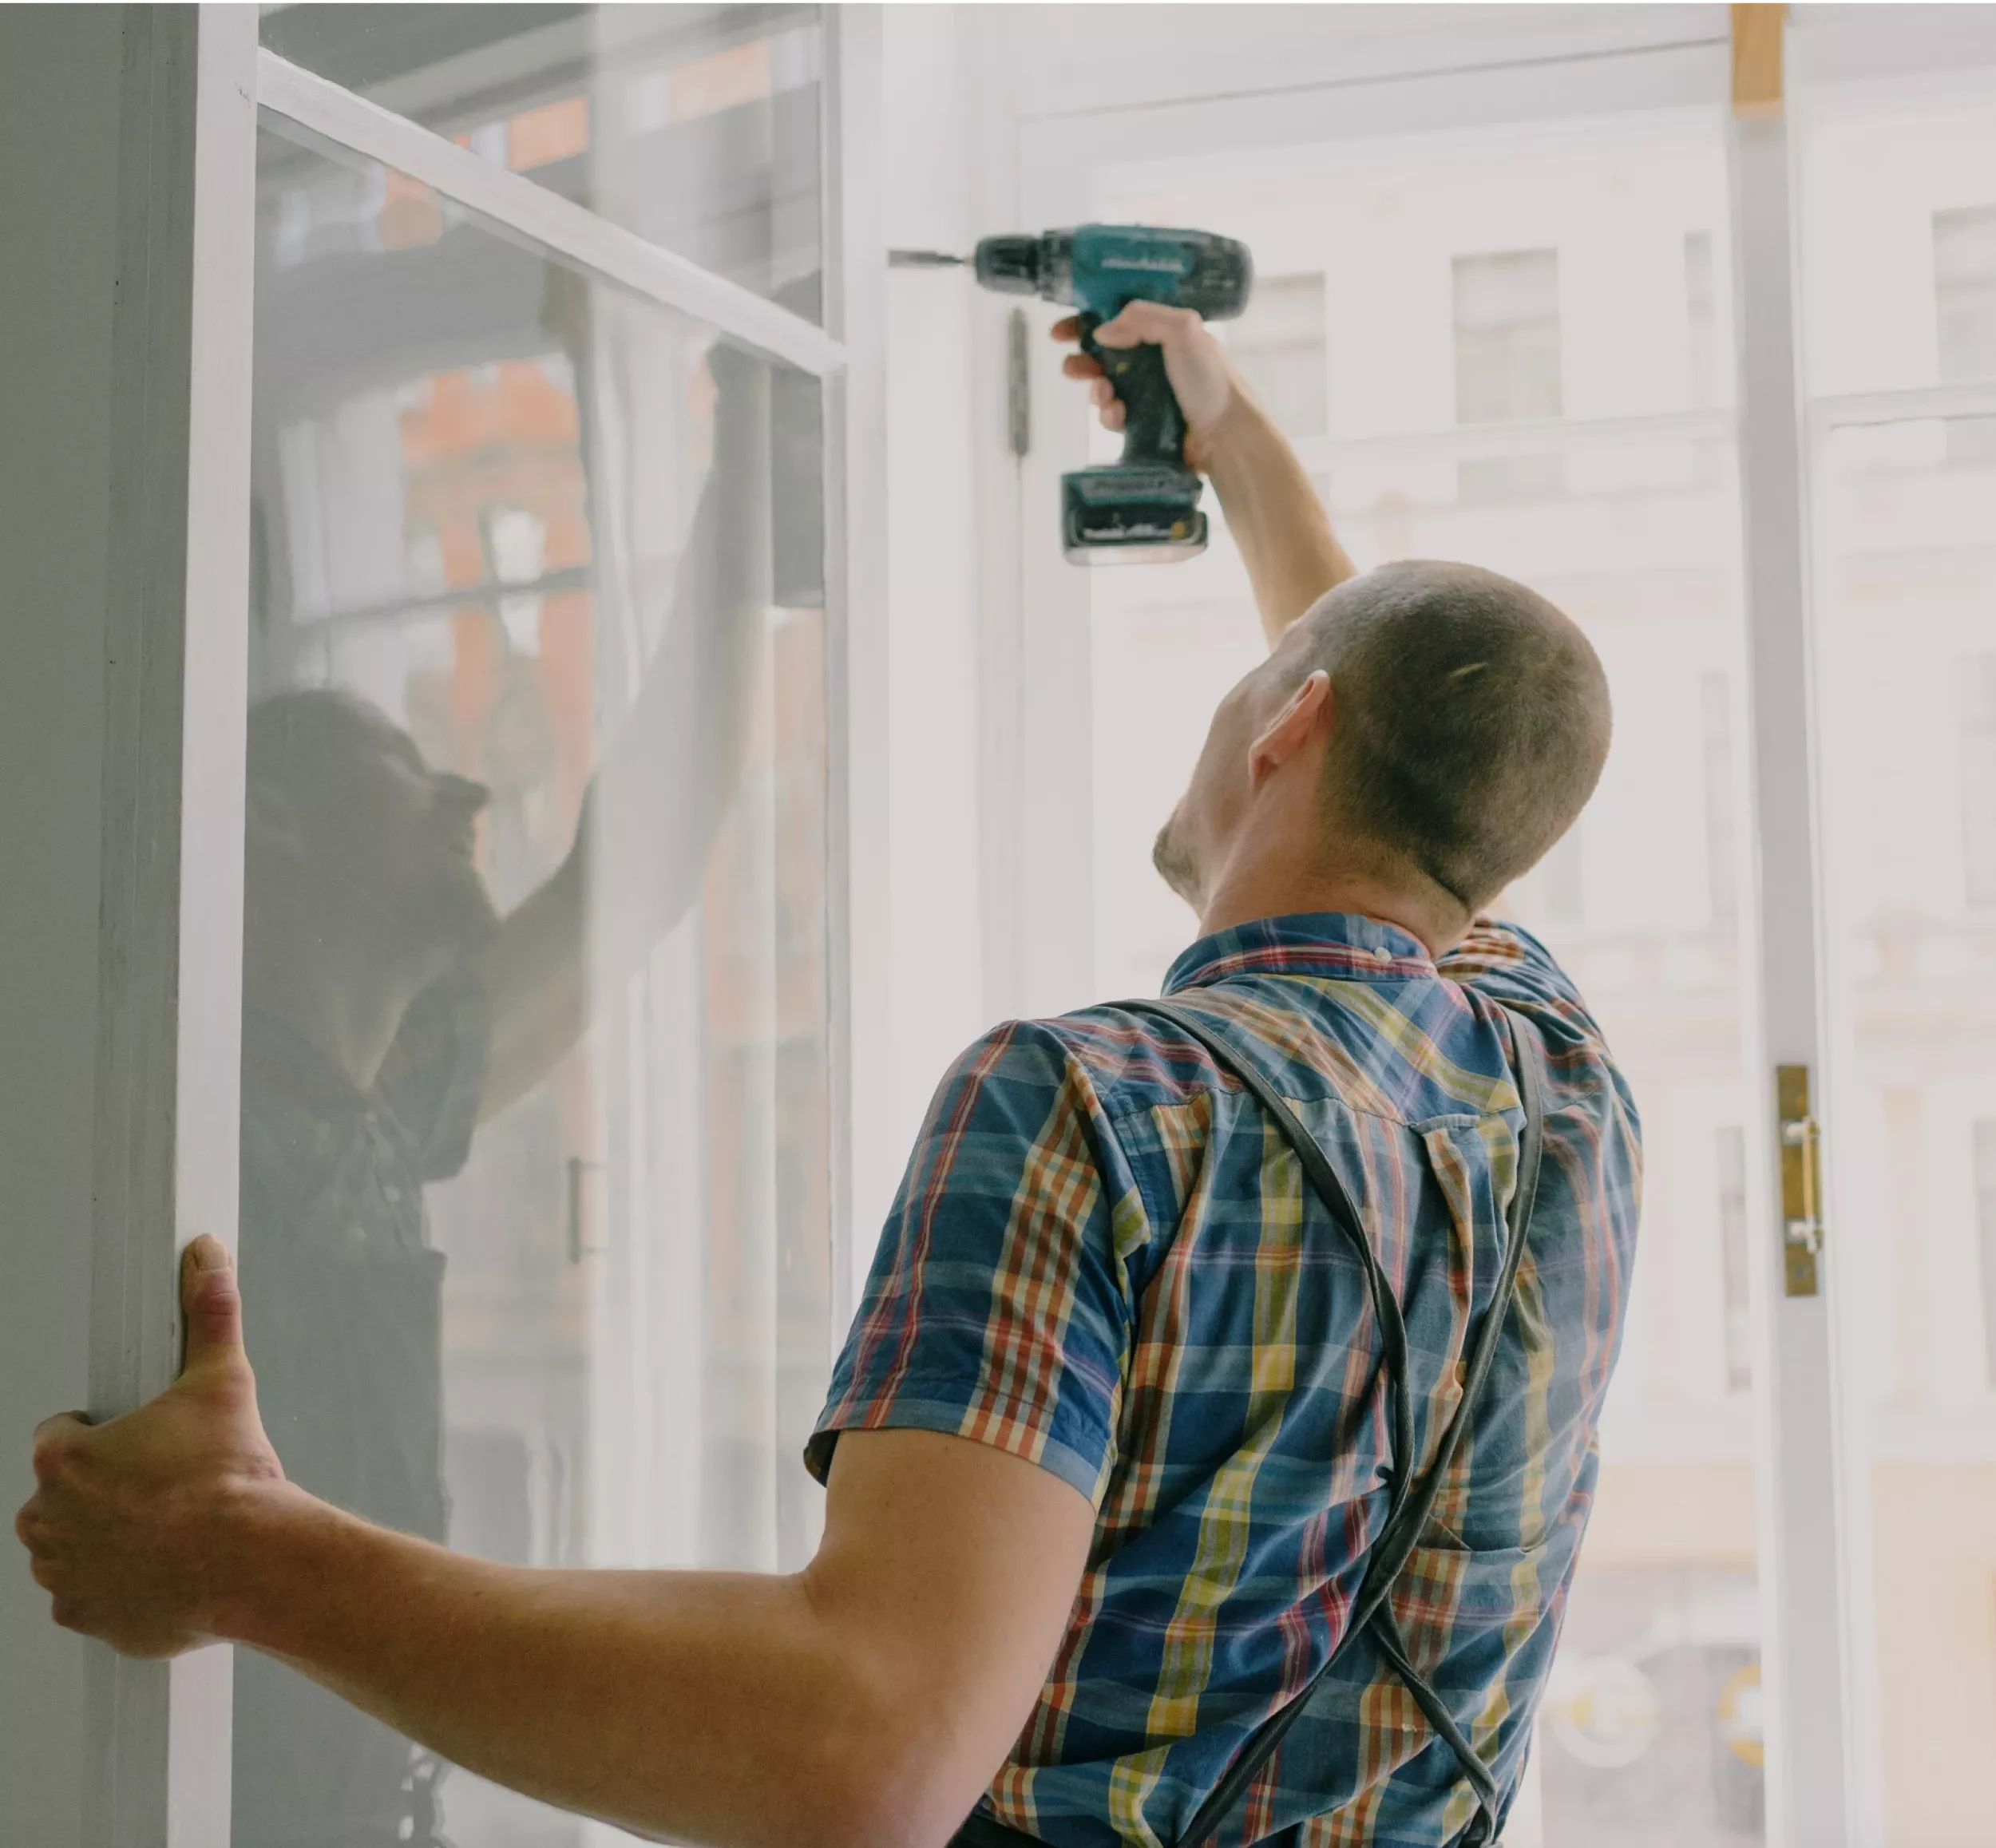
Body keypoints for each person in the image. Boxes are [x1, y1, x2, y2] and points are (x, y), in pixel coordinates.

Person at [18, 301, 1640, 1848]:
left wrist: (238, 1554)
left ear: (1285, 728)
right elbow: (1433, 773)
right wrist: (1223, 444)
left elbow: (865, 1752)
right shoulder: (1561, 1095)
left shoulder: (1096, 1110)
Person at [224, 344, 774, 1844]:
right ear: (269, 820)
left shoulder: (382, 1096)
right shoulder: (191, 1130)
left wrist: (747, 483)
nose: (467, 794)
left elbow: (634, 867)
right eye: (402, 767)